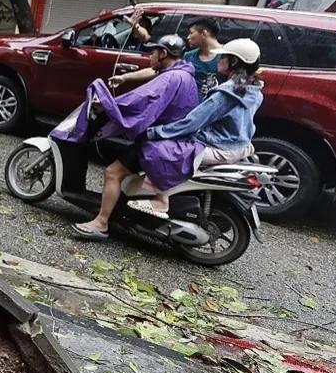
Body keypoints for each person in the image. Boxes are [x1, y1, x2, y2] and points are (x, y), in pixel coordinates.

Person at [56, 34, 200, 241]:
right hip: (171, 140)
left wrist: (109, 105)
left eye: (153, 52)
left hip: (159, 144)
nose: (149, 56)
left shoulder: (170, 78)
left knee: (113, 172)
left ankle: (101, 223)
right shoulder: (185, 76)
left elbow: (141, 101)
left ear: (163, 54)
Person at [147, 38, 264, 171]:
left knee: (153, 149)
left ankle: (163, 191)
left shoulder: (225, 94)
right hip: (241, 145)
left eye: (222, 56)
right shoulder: (254, 90)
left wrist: (153, 133)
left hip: (219, 147)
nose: (218, 60)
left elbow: (192, 123)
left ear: (234, 61)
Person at [114, 15, 222, 98]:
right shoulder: (189, 56)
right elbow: (159, 71)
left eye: (191, 33)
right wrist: (125, 77)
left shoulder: (229, 56)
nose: (188, 37)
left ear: (204, 33)